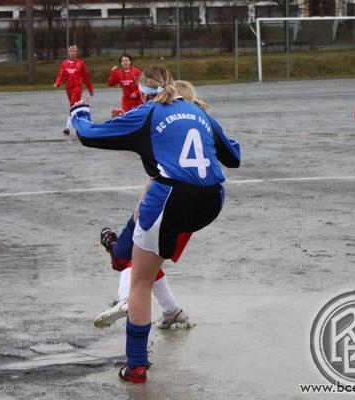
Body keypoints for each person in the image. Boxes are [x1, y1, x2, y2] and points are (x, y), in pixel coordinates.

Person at [71, 66, 240, 383]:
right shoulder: (195, 109)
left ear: (142, 90)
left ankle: (135, 367)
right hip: (211, 201)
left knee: (139, 281)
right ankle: (123, 251)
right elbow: (233, 157)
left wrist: (77, 112)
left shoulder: (147, 112)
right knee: (151, 197)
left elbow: (89, 134)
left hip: (174, 200)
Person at [93, 80, 210, 330]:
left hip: (169, 207)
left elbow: (157, 176)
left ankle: (127, 301)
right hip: (189, 208)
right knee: (148, 264)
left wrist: (139, 212)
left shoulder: (172, 130)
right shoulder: (194, 125)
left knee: (135, 260)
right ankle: (172, 310)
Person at [53, 45, 94, 135]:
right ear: (68, 53)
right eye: (71, 51)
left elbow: (86, 77)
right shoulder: (65, 63)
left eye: (74, 51)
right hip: (68, 87)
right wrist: (57, 83)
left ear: (77, 52)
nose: (72, 53)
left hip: (77, 86)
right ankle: (78, 125)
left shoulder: (81, 63)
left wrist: (90, 88)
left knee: (73, 105)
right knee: (74, 106)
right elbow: (61, 74)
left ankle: (67, 127)